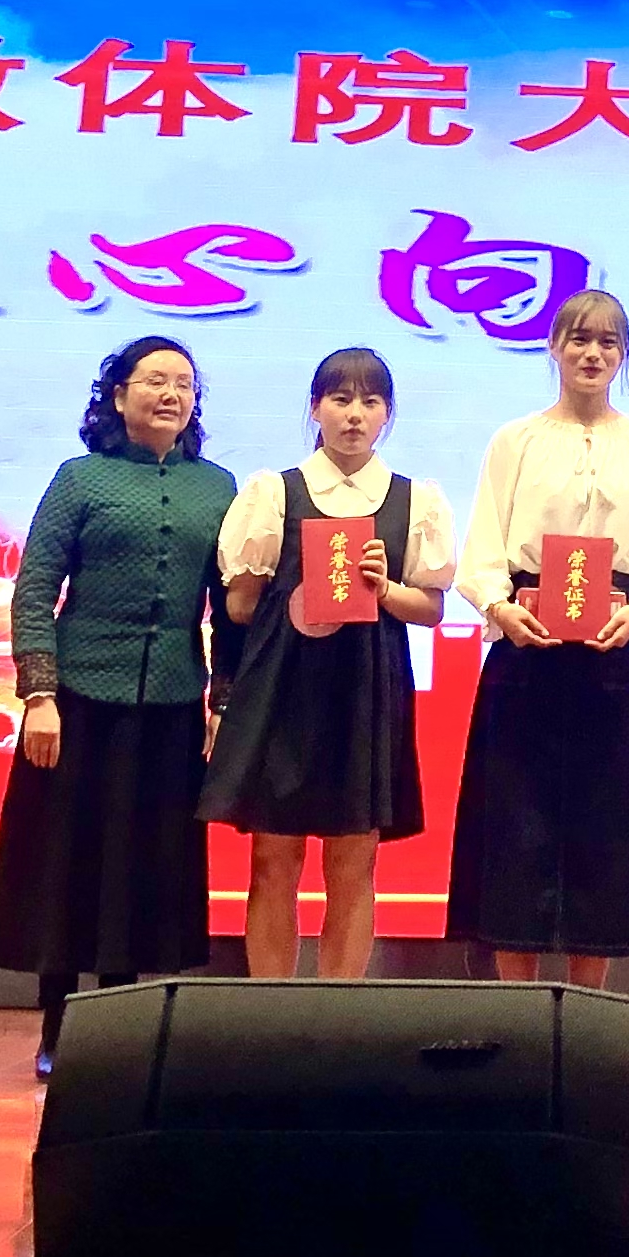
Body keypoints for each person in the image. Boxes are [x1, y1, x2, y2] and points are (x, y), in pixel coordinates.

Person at [0, 335, 233, 1074]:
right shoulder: (80, 478)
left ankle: (125, 1026)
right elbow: (35, 587)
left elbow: (227, 606)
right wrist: (40, 694)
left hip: (173, 706)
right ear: (118, 396)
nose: (171, 394)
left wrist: (222, 700)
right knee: (69, 861)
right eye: (154, 381)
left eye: (184, 384)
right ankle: (59, 1029)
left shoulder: (217, 487)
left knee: (147, 864)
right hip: (78, 705)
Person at [448, 289, 629, 985]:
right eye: (579, 339)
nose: (592, 353)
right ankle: (519, 1013)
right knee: (515, 829)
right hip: (527, 652)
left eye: (608, 342)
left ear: (623, 355)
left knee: (608, 832)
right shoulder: (515, 440)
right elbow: (483, 550)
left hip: (614, 653)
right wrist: (501, 609)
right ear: (553, 346)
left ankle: (588, 1017)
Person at [200, 347, 455, 980]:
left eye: (370, 402)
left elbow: (430, 609)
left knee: (355, 861)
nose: (354, 415)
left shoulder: (414, 500)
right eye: (340, 400)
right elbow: (238, 605)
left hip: (366, 693)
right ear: (315, 408)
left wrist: (383, 589)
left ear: (387, 414)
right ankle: (271, 1012)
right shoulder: (273, 492)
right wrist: (295, 600)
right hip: (283, 690)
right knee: (273, 858)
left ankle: (338, 1013)